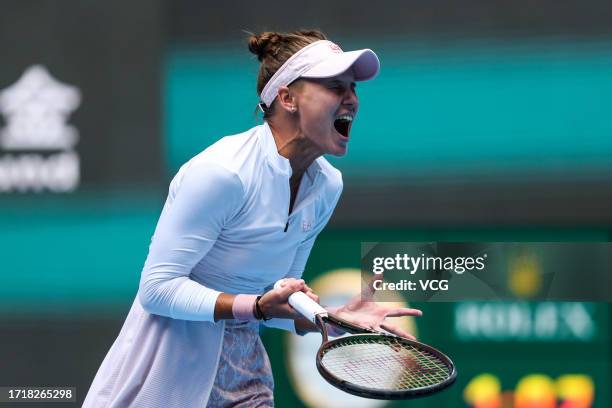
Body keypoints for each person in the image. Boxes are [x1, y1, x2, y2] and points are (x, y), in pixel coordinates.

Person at [83, 29, 422, 408]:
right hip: (163, 384)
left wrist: (326, 317)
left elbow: (276, 299)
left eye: (353, 88)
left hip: (244, 384)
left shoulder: (327, 185)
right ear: (287, 97)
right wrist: (256, 306)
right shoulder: (222, 173)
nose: (352, 100)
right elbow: (157, 289)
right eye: (334, 86)